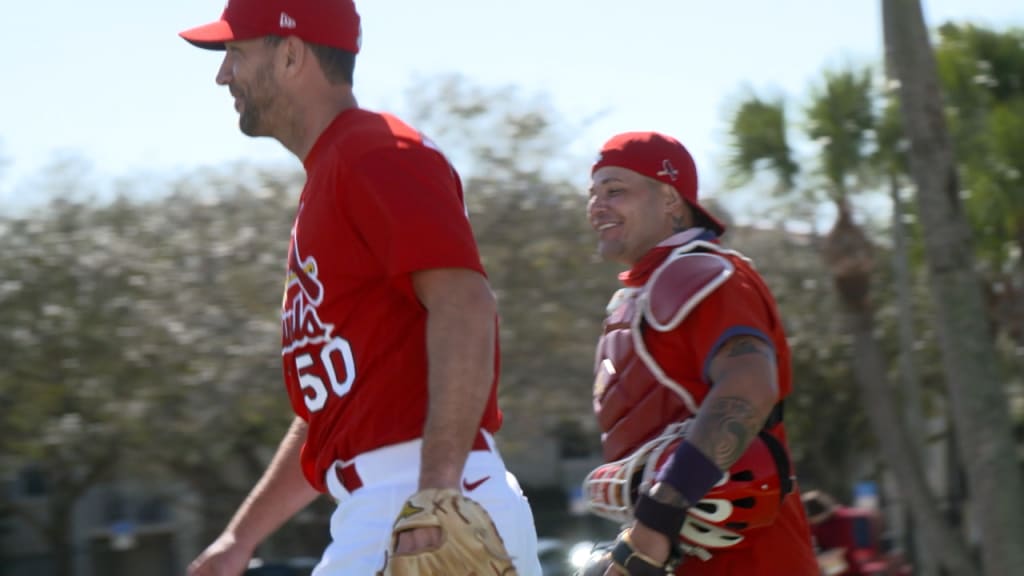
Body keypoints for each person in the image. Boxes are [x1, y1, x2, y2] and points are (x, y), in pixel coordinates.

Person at [178, 1, 542, 574]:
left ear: (292, 53)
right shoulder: (334, 172)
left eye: (235, 52)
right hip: (387, 499)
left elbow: (465, 304)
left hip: (418, 495)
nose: (223, 74)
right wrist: (240, 540)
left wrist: (435, 495)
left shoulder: (377, 152)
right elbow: (332, 411)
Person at [581, 132, 820, 575]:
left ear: (670, 199)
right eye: (593, 194)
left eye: (615, 191)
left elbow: (748, 388)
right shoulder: (636, 296)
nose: (597, 206)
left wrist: (654, 524)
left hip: (751, 562)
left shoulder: (702, 276)